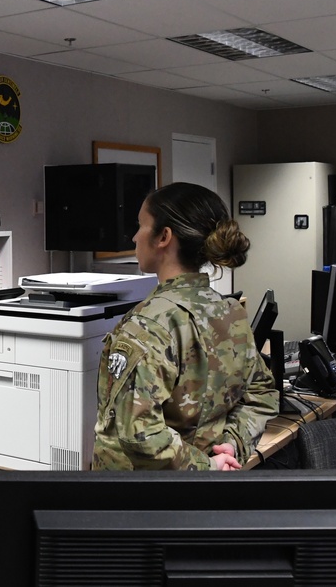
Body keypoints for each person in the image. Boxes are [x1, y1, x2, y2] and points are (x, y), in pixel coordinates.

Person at [93, 182, 279, 472]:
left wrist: (205, 466)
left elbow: (138, 434)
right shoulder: (231, 312)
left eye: (141, 226)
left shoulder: (148, 326)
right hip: (202, 490)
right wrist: (232, 446)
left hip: (137, 499)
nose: (133, 237)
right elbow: (262, 393)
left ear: (164, 237)